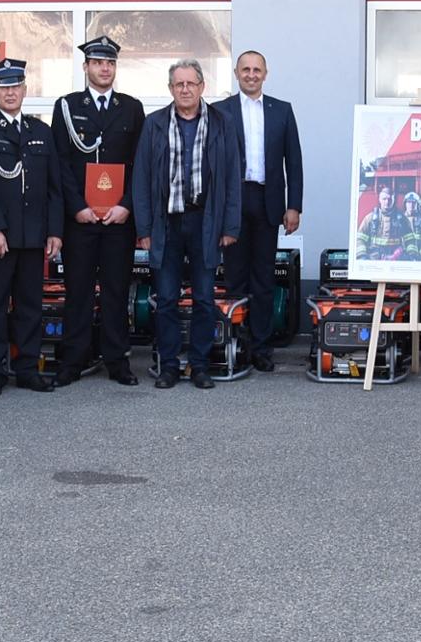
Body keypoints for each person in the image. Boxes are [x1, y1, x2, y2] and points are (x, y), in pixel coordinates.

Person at [131, 58, 241, 390]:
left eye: (191, 83)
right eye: (178, 84)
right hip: (167, 223)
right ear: (170, 89)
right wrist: (144, 229)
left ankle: (199, 365)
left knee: (204, 299)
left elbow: (233, 177)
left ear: (202, 86)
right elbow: (141, 178)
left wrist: (230, 226)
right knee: (165, 299)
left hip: (205, 221)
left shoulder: (223, 123)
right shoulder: (154, 124)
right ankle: (168, 366)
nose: (185, 89)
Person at [0, 58, 67, 396]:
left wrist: (55, 230)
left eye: (16, 86)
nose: (10, 92)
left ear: (25, 90)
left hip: (33, 234)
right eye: (4, 87)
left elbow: (55, 186)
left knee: (30, 305)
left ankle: (27, 367)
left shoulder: (40, 131)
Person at [51, 36, 144, 387]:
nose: (105, 68)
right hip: (81, 220)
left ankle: (117, 360)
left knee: (116, 290)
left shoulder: (131, 107)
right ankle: (73, 359)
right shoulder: (66, 106)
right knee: (78, 290)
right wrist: (76, 208)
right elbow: (60, 163)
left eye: (110, 63)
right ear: (86, 67)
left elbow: (139, 165)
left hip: (118, 219)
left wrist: (126, 206)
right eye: (98, 62)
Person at [212, 50, 303, 372]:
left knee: (264, 278)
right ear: (237, 73)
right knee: (234, 277)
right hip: (232, 203)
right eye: (245, 69)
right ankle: (236, 343)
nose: (251, 74)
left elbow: (293, 161)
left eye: (257, 70)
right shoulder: (219, 111)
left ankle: (262, 347)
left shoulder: (282, 110)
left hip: (268, 202)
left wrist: (294, 207)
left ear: (266, 73)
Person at [355, 185, 404, 259]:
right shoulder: (370, 218)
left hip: (395, 259)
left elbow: (410, 240)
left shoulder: (402, 219)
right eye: (384, 199)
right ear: (379, 200)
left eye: (390, 199)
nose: (387, 202)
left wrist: (398, 254)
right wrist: (362, 256)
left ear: (394, 200)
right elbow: (360, 239)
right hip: (374, 258)